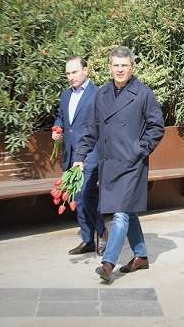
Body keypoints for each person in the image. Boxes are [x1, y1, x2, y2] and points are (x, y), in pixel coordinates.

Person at [72, 46, 165, 283]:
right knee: (128, 212)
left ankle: (108, 263)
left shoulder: (143, 94)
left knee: (121, 213)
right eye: (116, 65)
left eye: (124, 65)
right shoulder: (101, 95)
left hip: (133, 163)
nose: (120, 69)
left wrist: (139, 149)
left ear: (132, 68)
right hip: (110, 163)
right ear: (110, 67)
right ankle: (141, 256)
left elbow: (156, 128)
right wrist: (79, 157)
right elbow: (90, 129)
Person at [52, 56, 107, 255]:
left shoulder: (98, 94)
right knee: (77, 195)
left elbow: (102, 124)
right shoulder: (65, 95)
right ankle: (87, 240)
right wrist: (58, 128)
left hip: (91, 152)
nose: (70, 77)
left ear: (86, 70)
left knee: (85, 193)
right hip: (70, 151)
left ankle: (101, 232)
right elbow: (61, 116)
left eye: (74, 72)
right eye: (67, 73)